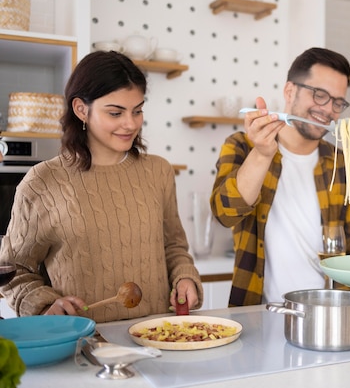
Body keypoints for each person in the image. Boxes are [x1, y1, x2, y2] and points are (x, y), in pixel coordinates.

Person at [0, 51, 202, 323]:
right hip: (81, 343)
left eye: (138, 110)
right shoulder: (42, 182)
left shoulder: (158, 171)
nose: (130, 124)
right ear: (81, 109)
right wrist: (44, 305)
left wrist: (184, 277)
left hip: (158, 337)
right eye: (115, 112)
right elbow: (15, 271)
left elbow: (174, 247)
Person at [210, 47, 350, 306]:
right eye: (319, 95)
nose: (328, 110)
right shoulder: (243, 146)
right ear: (289, 91)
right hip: (260, 314)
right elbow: (224, 213)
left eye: (337, 102)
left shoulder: (347, 164)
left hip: (332, 312)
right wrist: (262, 154)